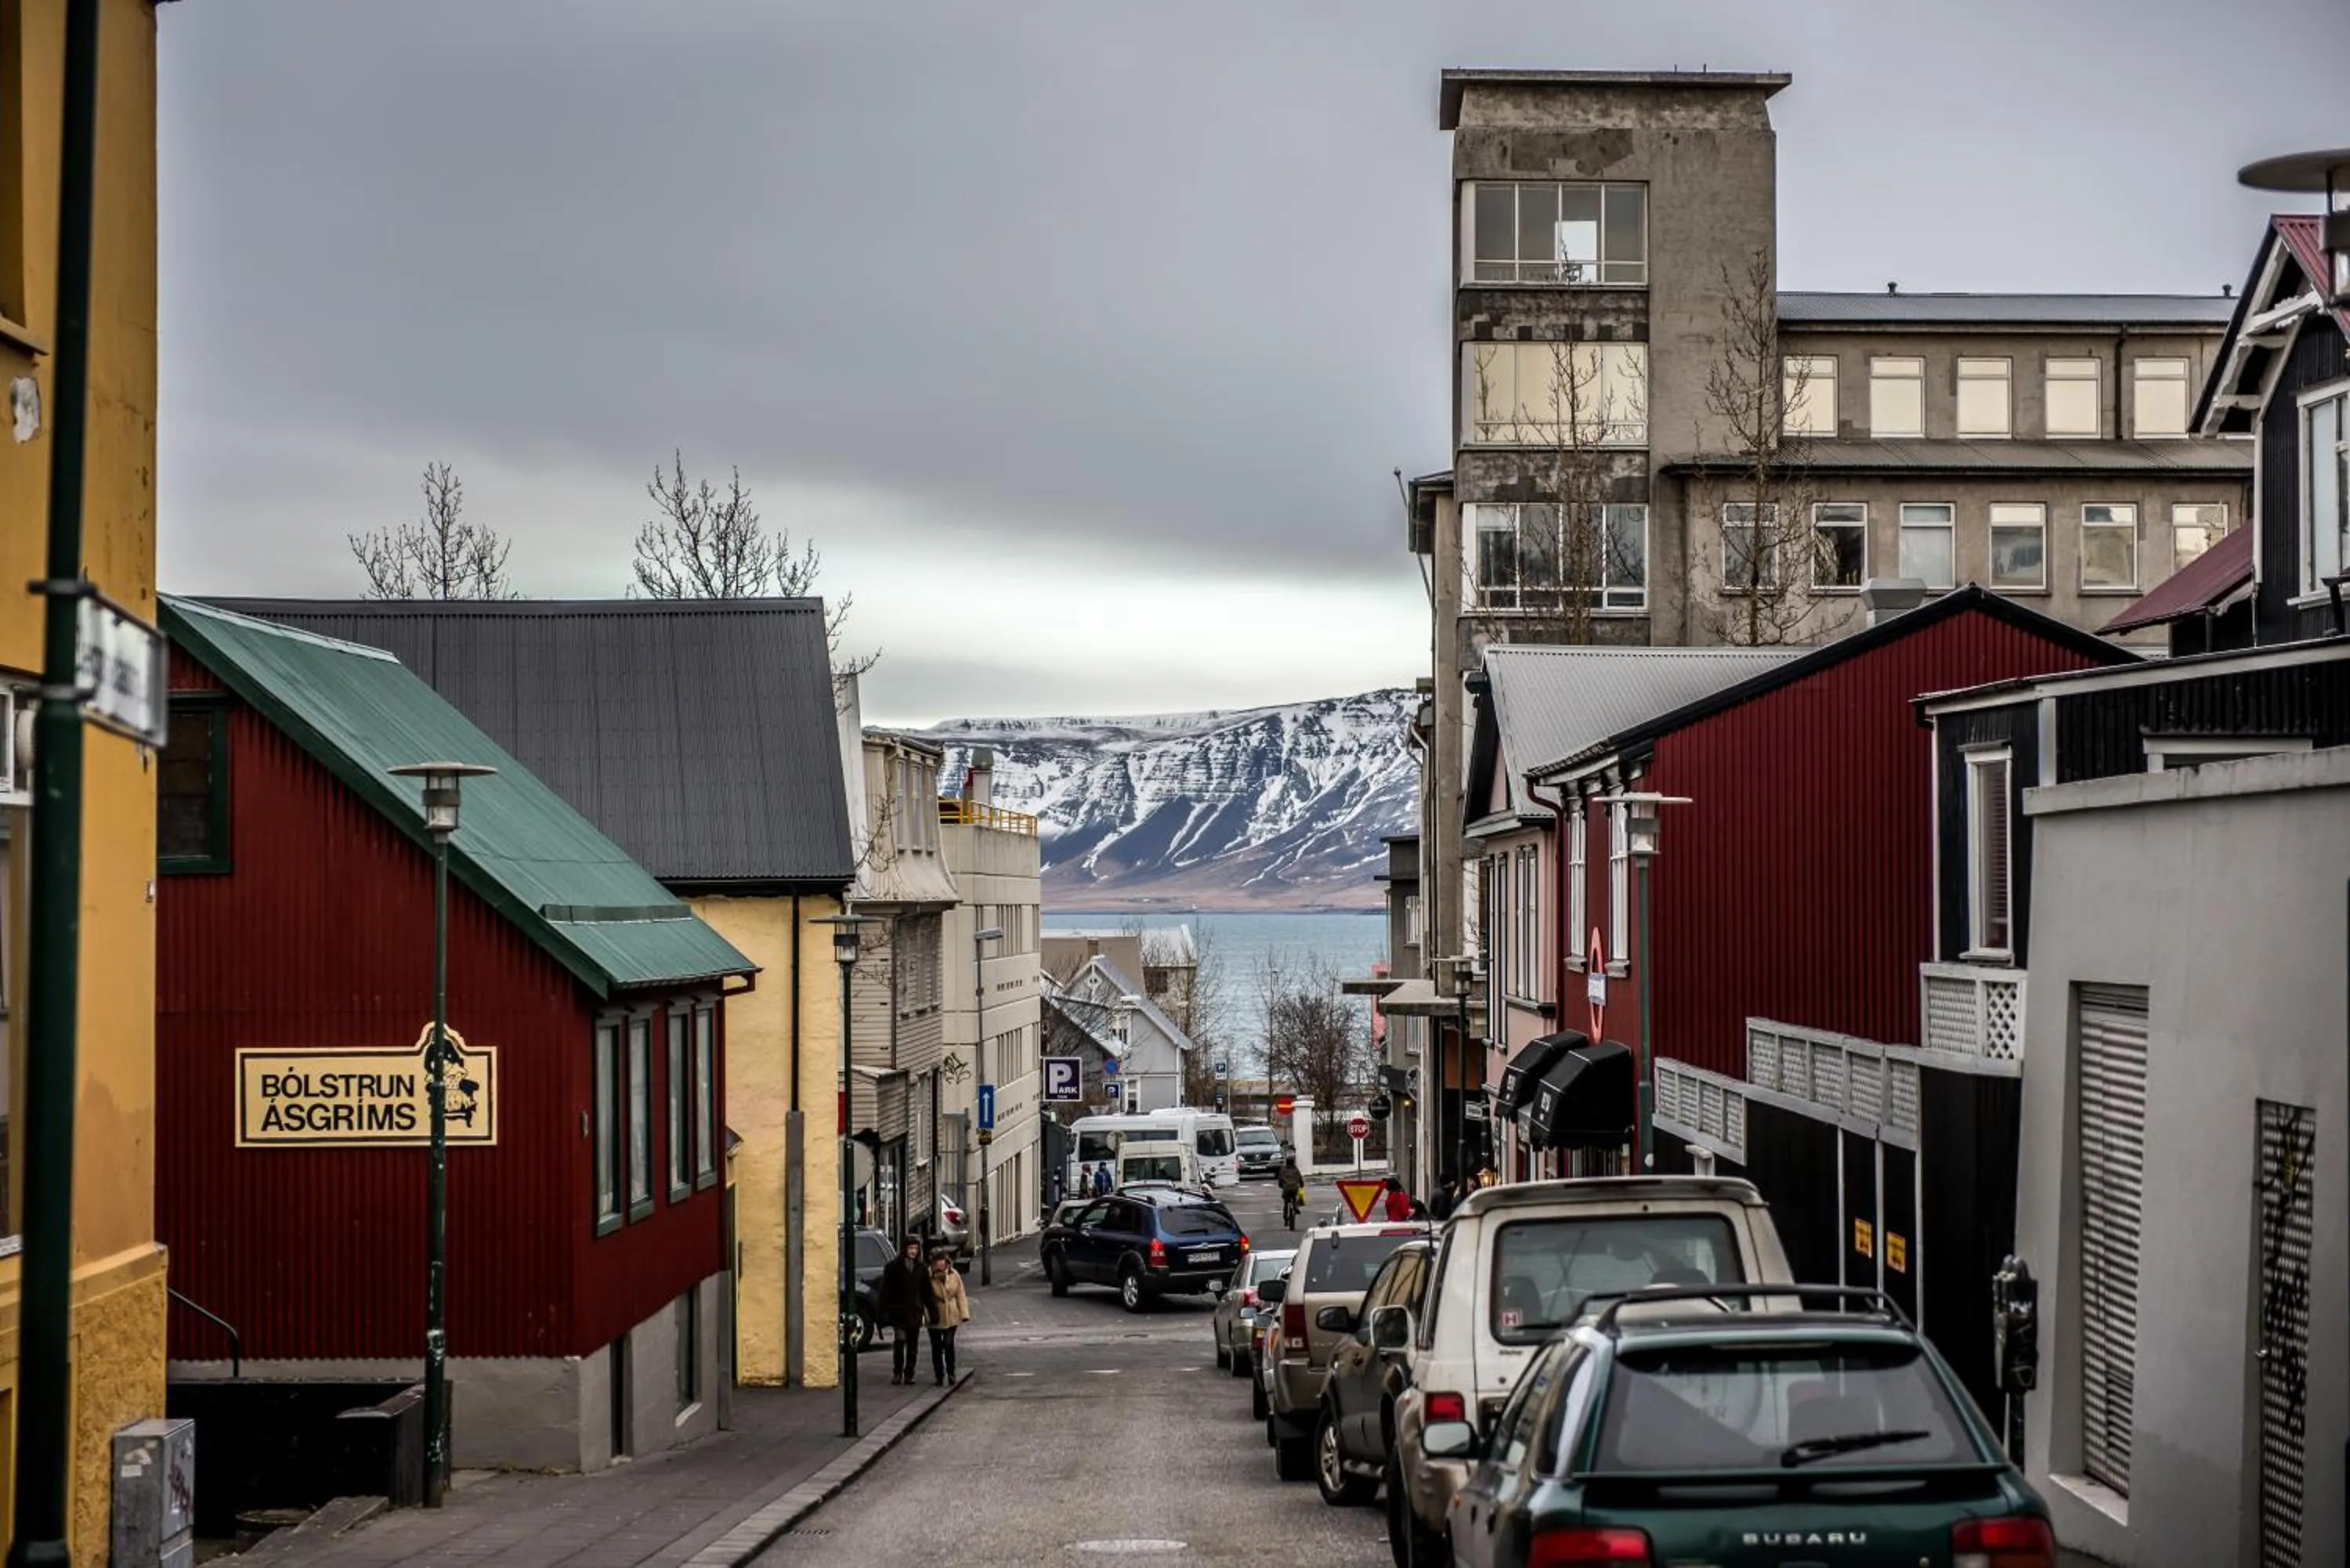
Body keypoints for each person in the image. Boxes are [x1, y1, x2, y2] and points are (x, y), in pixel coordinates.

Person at [875, 1235, 935, 1386]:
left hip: (915, 1311)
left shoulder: (921, 1268)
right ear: (905, 1249)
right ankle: (897, 1372)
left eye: (916, 1248)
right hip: (899, 1312)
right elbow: (885, 1291)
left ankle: (909, 1373)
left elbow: (927, 1292)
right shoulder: (892, 1268)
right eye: (911, 1248)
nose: (913, 1251)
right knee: (900, 1341)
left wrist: (932, 1311)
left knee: (913, 1345)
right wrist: (882, 1313)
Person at [927, 1251, 970, 1386]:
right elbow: (924, 1296)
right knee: (936, 1347)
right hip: (935, 1314)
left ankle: (951, 1373)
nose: (941, 1264)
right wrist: (925, 1315)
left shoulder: (953, 1274)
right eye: (938, 1261)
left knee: (948, 1344)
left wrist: (964, 1313)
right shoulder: (929, 1276)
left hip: (951, 1314)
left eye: (943, 1261)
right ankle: (939, 1375)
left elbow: (960, 1294)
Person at [1276, 1151, 1305, 1227]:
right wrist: (1302, 1185)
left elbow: (1280, 1179)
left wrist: (1281, 1186)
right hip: (1295, 1188)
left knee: (1286, 1204)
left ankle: (1286, 1219)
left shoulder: (1283, 1170)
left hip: (1286, 1189)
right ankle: (1295, 1207)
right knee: (1295, 1198)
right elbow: (1300, 1178)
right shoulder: (1296, 1169)